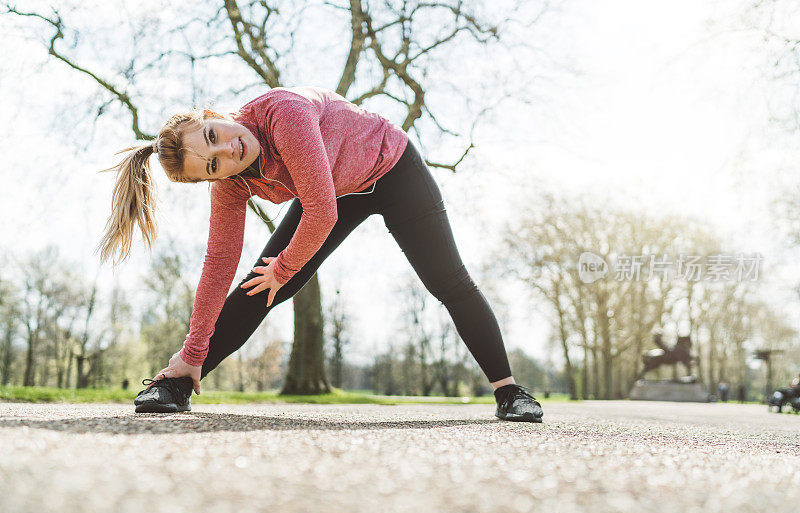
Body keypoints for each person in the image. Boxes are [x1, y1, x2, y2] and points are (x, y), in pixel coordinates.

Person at [97, 85, 543, 423]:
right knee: (261, 284)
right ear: (209, 180)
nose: (226, 152)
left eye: (214, 135)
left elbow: (321, 212)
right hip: (332, 190)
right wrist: (194, 348)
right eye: (213, 164)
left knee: (448, 282)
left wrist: (285, 268)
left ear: (214, 115)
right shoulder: (230, 183)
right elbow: (218, 265)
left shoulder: (283, 114)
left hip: (391, 169)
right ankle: (178, 382)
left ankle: (510, 392)